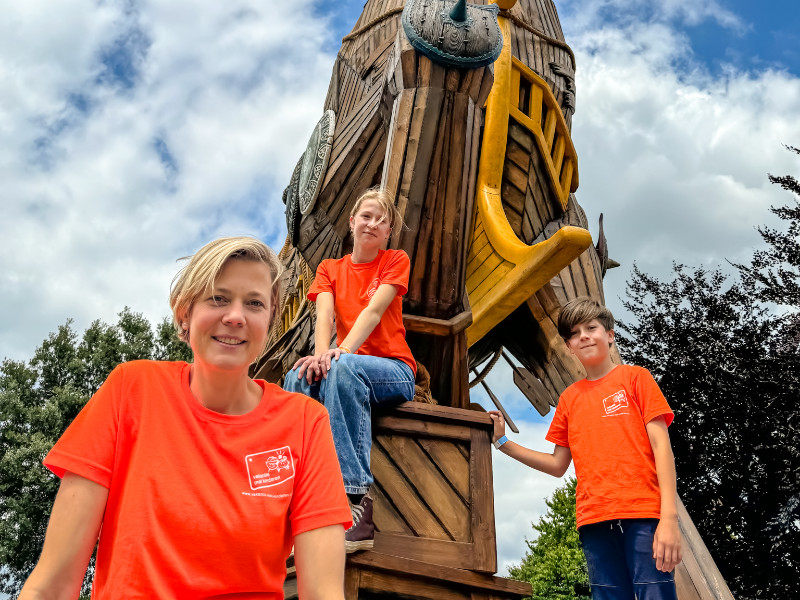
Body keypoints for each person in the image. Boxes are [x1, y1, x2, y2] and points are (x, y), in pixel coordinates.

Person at [19, 237, 352, 599]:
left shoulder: (305, 422)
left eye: (254, 303)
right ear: (184, 312)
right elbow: (53, 583)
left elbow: (323, 593)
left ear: (269, 320)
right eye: (218, 298)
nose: (235, 316)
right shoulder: (131, 390)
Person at [489, 297, 682, 600]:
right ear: (569, 347)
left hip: (644, 515)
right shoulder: (569, 399)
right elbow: (557, 465)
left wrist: (669, 519)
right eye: (575, 333)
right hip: (594, 522)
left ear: (610, 334)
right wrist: (503, 443)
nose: (585, 336)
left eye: (592, 328)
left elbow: (662, 448)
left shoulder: (636, 379)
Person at [284, 188, 416, 553]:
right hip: (345, 361)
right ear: (352, 221)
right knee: (297, 377)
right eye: (367, 216)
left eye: (381, 220)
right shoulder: (330, 268)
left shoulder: (394, 260)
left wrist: (338, 352)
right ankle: (299, 495)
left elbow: (372, 313)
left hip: (393, 369)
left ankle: (355, 503)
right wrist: (320, 355)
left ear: (388, 232)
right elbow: (323, 314)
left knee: (342, 369)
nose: (373, 224)